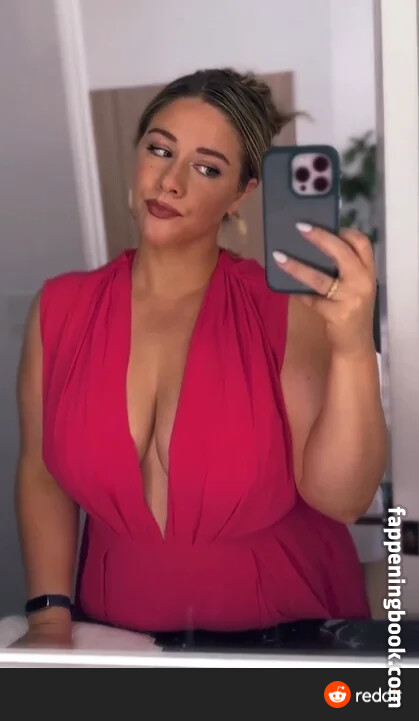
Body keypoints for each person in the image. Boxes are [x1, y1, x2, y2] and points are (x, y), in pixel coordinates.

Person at [13, 68, 387, 648]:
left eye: (207, 168)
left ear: (241, 194)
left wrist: (354, 347)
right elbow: (41, 473)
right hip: (118, 638)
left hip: (283, 633)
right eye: (160, 150)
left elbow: (342, 500)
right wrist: (48, 617)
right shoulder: (59, 308)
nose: (170, 182)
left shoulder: (285, 311)